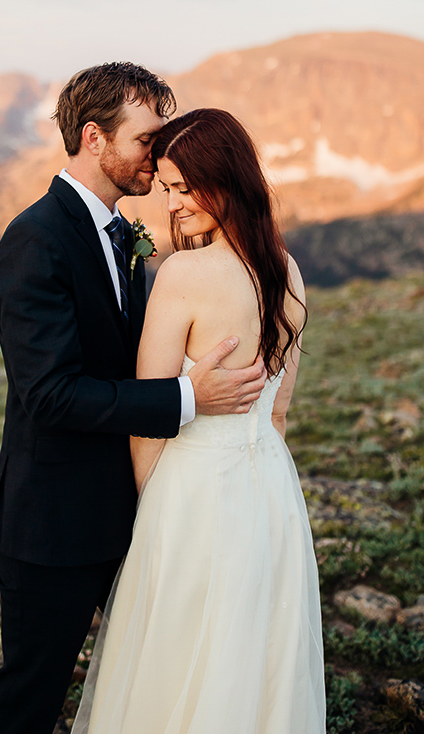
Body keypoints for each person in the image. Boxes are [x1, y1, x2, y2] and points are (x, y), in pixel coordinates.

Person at [0, 64, 267, 734]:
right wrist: (186, 398)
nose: (159, 154)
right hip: (53, 522)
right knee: (32, 693)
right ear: (94, 138)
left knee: (153, 674)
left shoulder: (123, 237)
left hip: (134, 512)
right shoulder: (36, 239)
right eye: (146, 139)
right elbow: (50, 394)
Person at [72, 108, 325, 733]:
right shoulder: (287, 274)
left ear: (227, 180)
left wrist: (149, 510)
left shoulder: (183, 274)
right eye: (167, 189)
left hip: (192, 492)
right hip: (270, 492)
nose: (175, 204)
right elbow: (281, 411)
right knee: (254, 657)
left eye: (186, 188)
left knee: (173, 656)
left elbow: (148, 414)